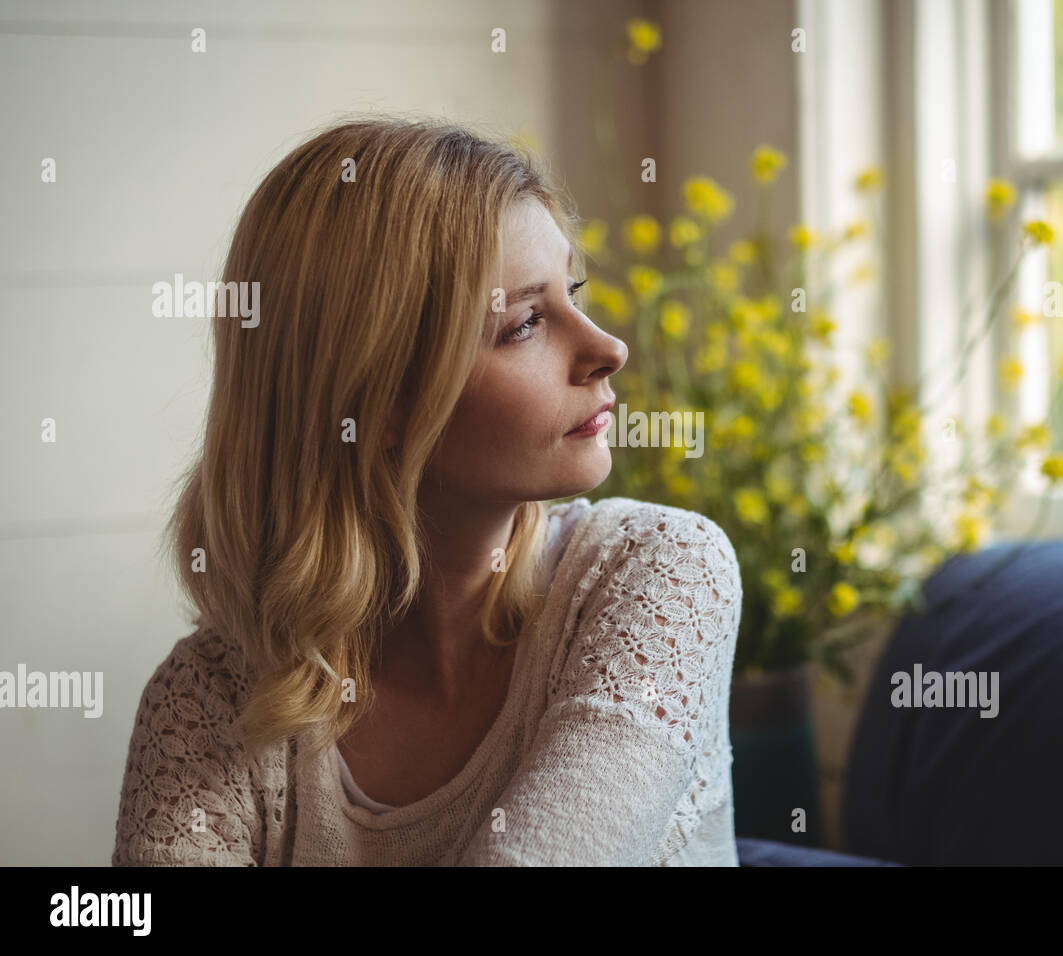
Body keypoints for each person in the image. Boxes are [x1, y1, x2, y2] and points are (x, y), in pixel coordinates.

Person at [111, 116, 744, 866]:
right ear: (378, 404)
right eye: (527, 323)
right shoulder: (208, 702)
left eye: (573, 292)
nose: (608, 347)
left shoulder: (661, 573)